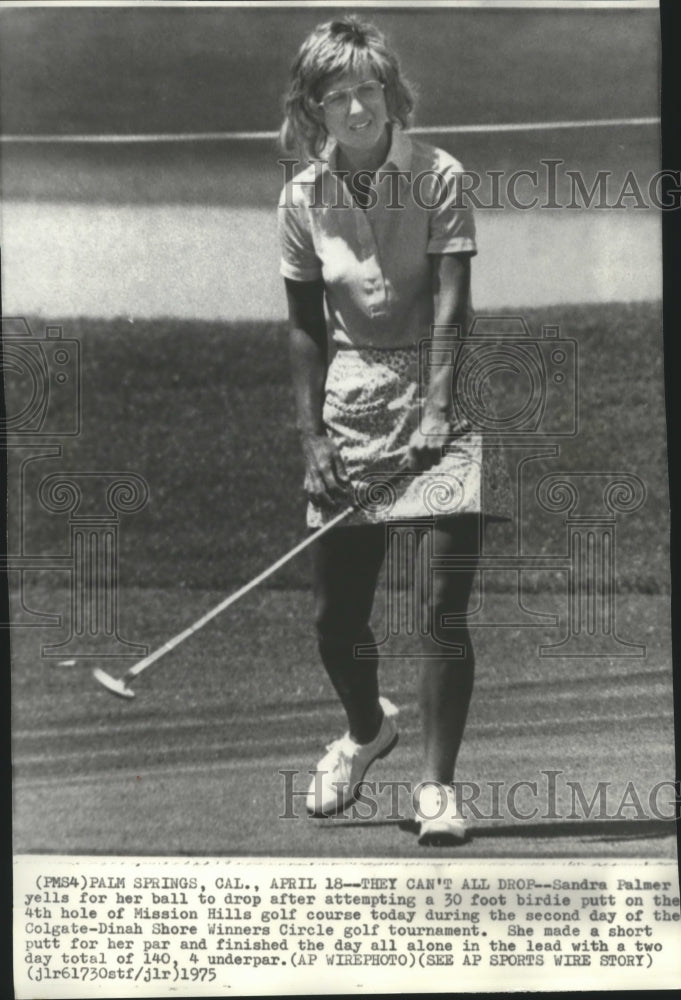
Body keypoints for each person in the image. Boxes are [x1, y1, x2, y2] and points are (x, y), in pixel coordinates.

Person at [277, 16, 511, 846]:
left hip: (440, 397)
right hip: (348, 404)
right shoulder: (302, 196)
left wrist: (439, 403)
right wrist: (311, 439)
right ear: (313, 108)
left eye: (366, 88)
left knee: (442, 610)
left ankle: (437, 789)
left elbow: (453, 298)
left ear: (389, 91)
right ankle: (365, 730)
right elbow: (305, 323)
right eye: (335, 94)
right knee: (335, 623)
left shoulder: (439, 174)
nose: (355, 106)